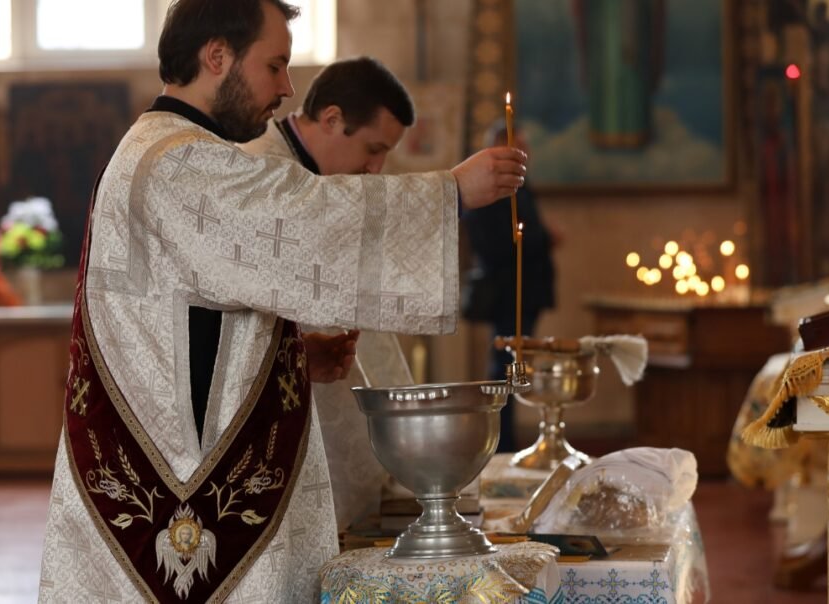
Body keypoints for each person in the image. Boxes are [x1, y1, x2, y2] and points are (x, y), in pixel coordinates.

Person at [38, 1, 527, 602]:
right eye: (275, 65)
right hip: (179, 500)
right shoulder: (178, 162)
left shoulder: (164, 149)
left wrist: (291, 354)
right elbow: (302, 214)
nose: (287, 86)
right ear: (217, 56)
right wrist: (449, 192)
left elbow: (189, 327)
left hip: (175, 472)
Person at [240, 56, 416, 532]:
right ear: (333, 119)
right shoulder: (258, 171)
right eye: (373, 149)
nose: (376, 168)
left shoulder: (333, 183)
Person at [462, 126, 556, 453]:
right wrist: (531, 241)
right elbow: (492, 240)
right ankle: (500, 444)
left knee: (515, 366)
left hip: (527, 288)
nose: (525, 154)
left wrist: (541, 238)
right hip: (508, 290)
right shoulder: (487, 189)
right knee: (505, 367)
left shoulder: (519, 185)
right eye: (519, 147)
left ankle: (507, 440)